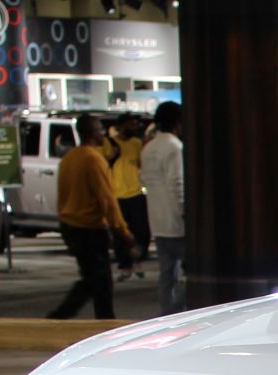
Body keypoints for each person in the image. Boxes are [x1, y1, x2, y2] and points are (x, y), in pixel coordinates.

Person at [48, 114, 131, 320]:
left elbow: (63, 194)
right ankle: (100, 324)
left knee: (92, 278)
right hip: (90, 229)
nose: (104, 133)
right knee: (100, 282)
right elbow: (107, 200)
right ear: (92, 133)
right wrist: (122, 230)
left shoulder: (69, 159)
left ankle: (63, 317)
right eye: (100, 129)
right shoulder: (94, 160)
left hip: (70, 225)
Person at [139, 101, 185, 314]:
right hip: (176, 222)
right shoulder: (175, 147)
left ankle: (165, 315)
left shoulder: (148, 148)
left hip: (156, 221)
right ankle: (176, 314)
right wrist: (184, 212)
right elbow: (177, 185)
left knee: (166, 275)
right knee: (192, 274)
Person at [105, 114, 149, 277]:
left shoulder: (136, 144)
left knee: (141, 231)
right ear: (121, 126)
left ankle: (137, 260)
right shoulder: (109, 144)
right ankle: (125, 264)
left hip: (136, 193)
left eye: (135, 125)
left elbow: (140, 165)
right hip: (117, 196)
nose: (134, 128)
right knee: (120, 234)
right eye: (131, 125)